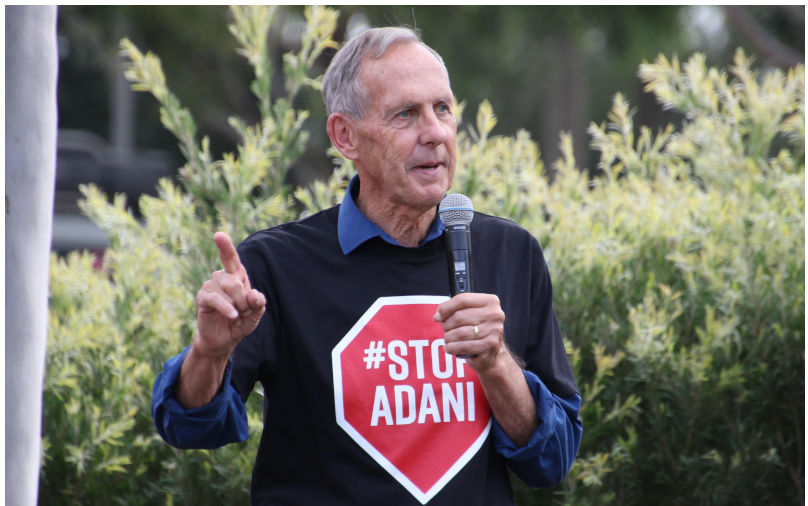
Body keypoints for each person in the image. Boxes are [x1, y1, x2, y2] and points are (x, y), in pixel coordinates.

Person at [152, 26, 582, 505]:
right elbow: (189, 428)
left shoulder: (512, 253)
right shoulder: (276, 266)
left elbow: (551, 460)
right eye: (405, 115)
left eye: (442, 109)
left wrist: (498, 365)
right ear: (345, 136)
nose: (435, 133)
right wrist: (209, 354)